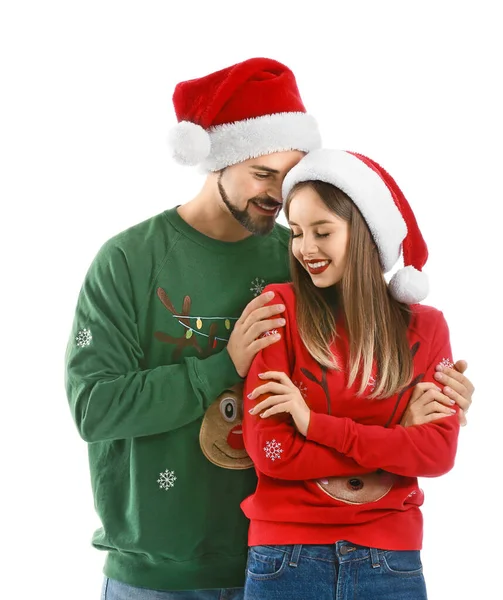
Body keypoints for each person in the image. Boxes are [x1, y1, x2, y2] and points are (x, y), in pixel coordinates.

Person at [64, 58, 474, 600]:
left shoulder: (302, 261)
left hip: (284, 560)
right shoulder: (128, 261)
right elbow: (94, 408)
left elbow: (365, 379)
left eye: (292, 175)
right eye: (262, 174)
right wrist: (222, 367)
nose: (279, 196)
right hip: (160, 573)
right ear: (217, 159)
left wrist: (432, 402)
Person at [242, 148, 465, 599]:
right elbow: (270, 451)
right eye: (298, 232)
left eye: (322, 232)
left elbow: (438, 452)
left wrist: (313, 425)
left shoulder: (427, 328)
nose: (305, 249)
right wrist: (395, 436)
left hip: (390, 560)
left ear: (364, 235)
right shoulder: (279, 310)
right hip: (286, 558)